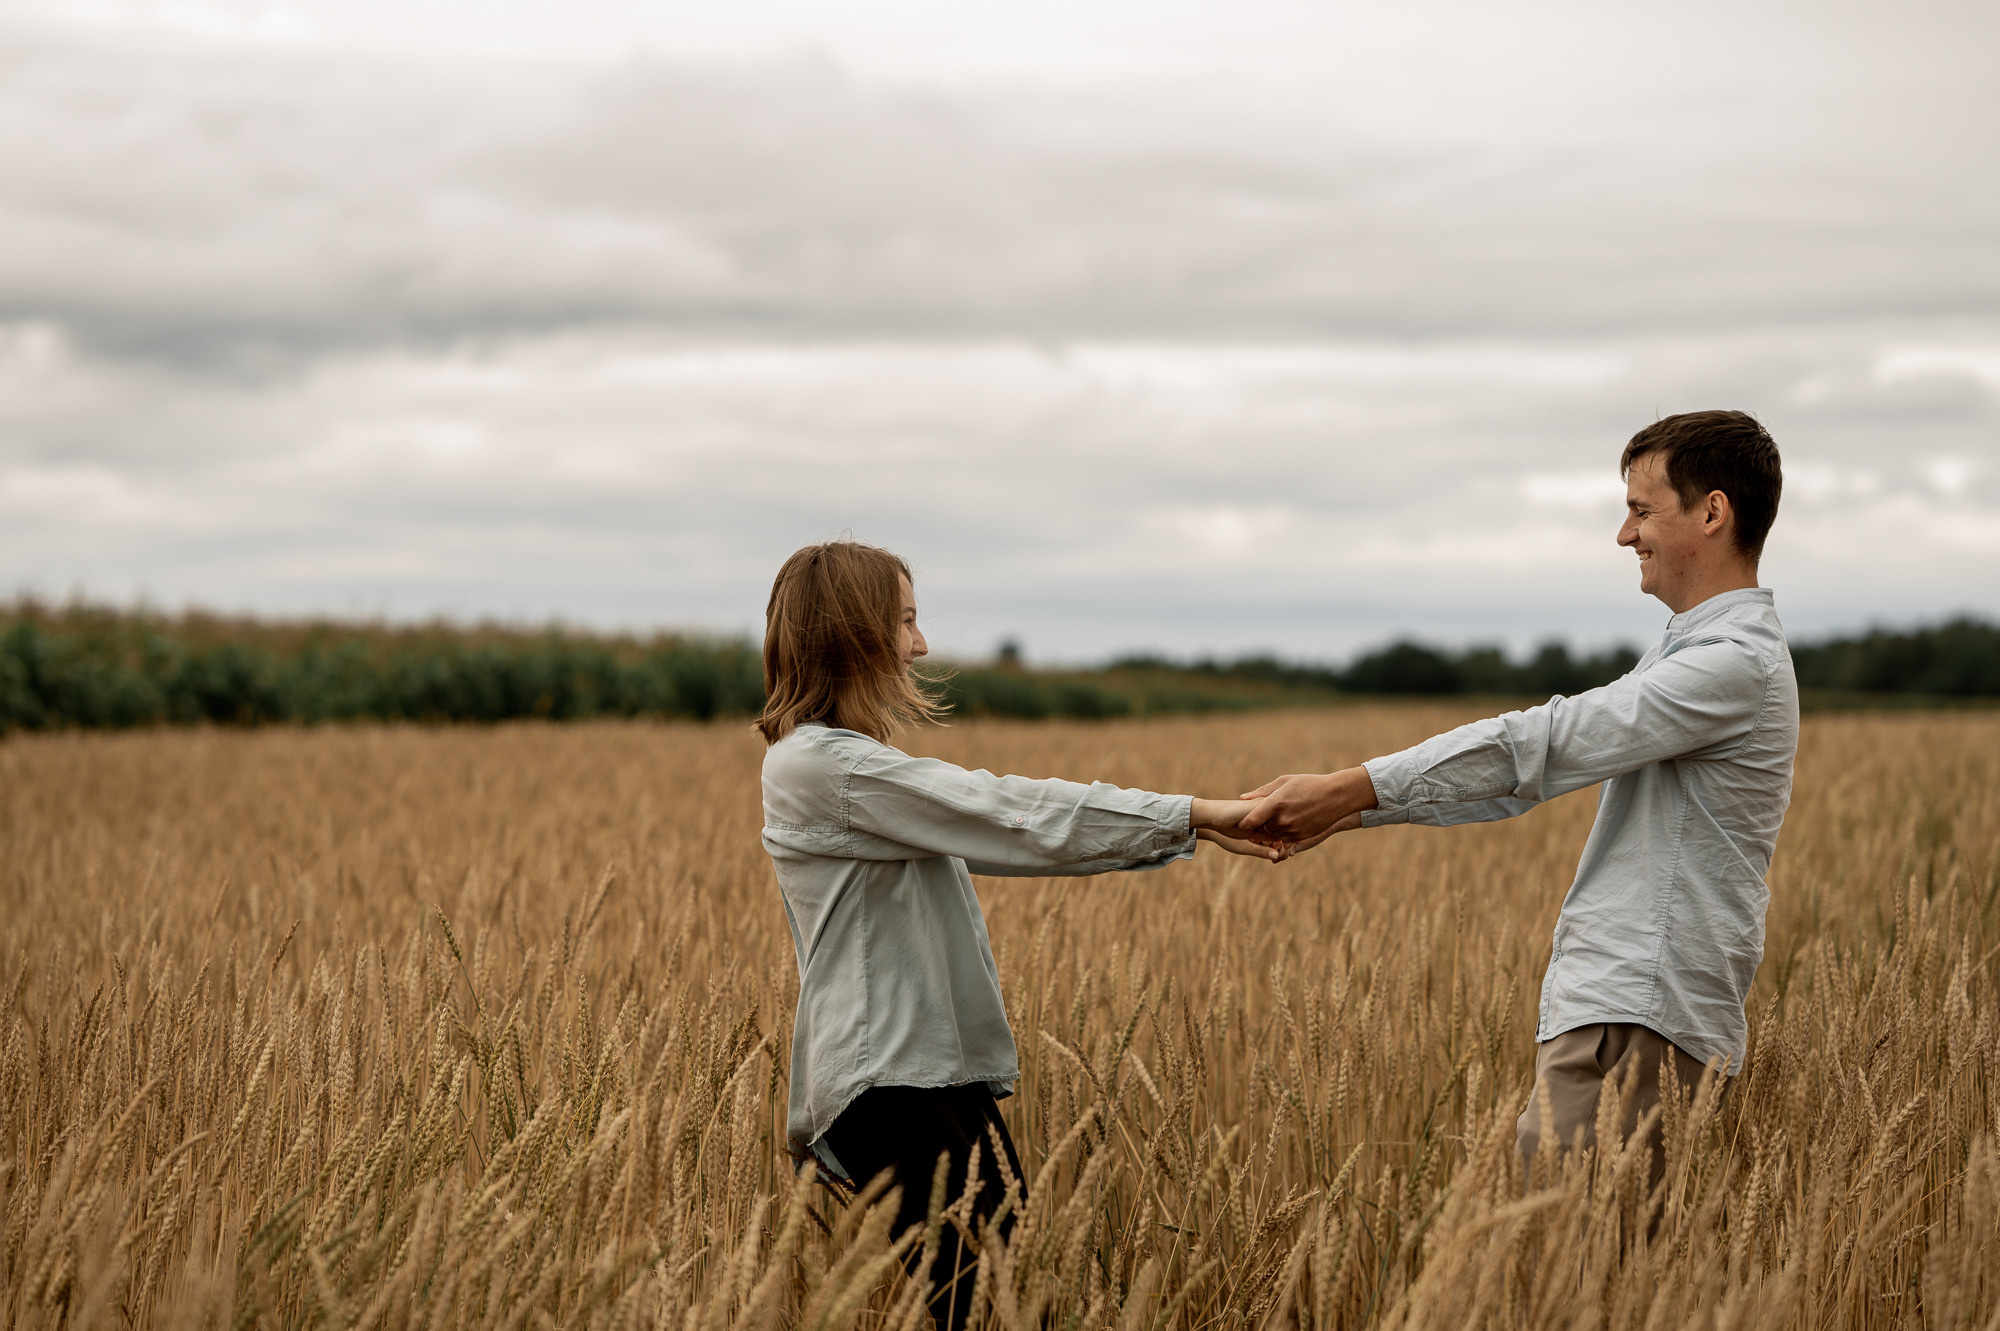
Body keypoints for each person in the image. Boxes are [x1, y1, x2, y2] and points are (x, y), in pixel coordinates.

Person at [1238, 410, 1797, 1181]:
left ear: (1712, 512)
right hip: (1628, 1007)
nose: (1624, 534)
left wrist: (1349, 790)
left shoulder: (1731, 664)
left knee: (1570, 1245)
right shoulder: (1697, 651)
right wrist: (1357, 804)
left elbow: (1543, 744)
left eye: (1641, 510)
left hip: (1639, 1013)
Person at [757, 538, 1278, 1330]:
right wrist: (1193, 815)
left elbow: (1009, 825)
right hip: (888, 1086)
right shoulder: (827, 769)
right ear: (855, 633)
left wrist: (1191, 828)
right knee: (999, 1306)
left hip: (928, 1079)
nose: (920, 645)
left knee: (1012, 1301)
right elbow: (1011, 811)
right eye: (905, 620)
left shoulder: (847, 765)